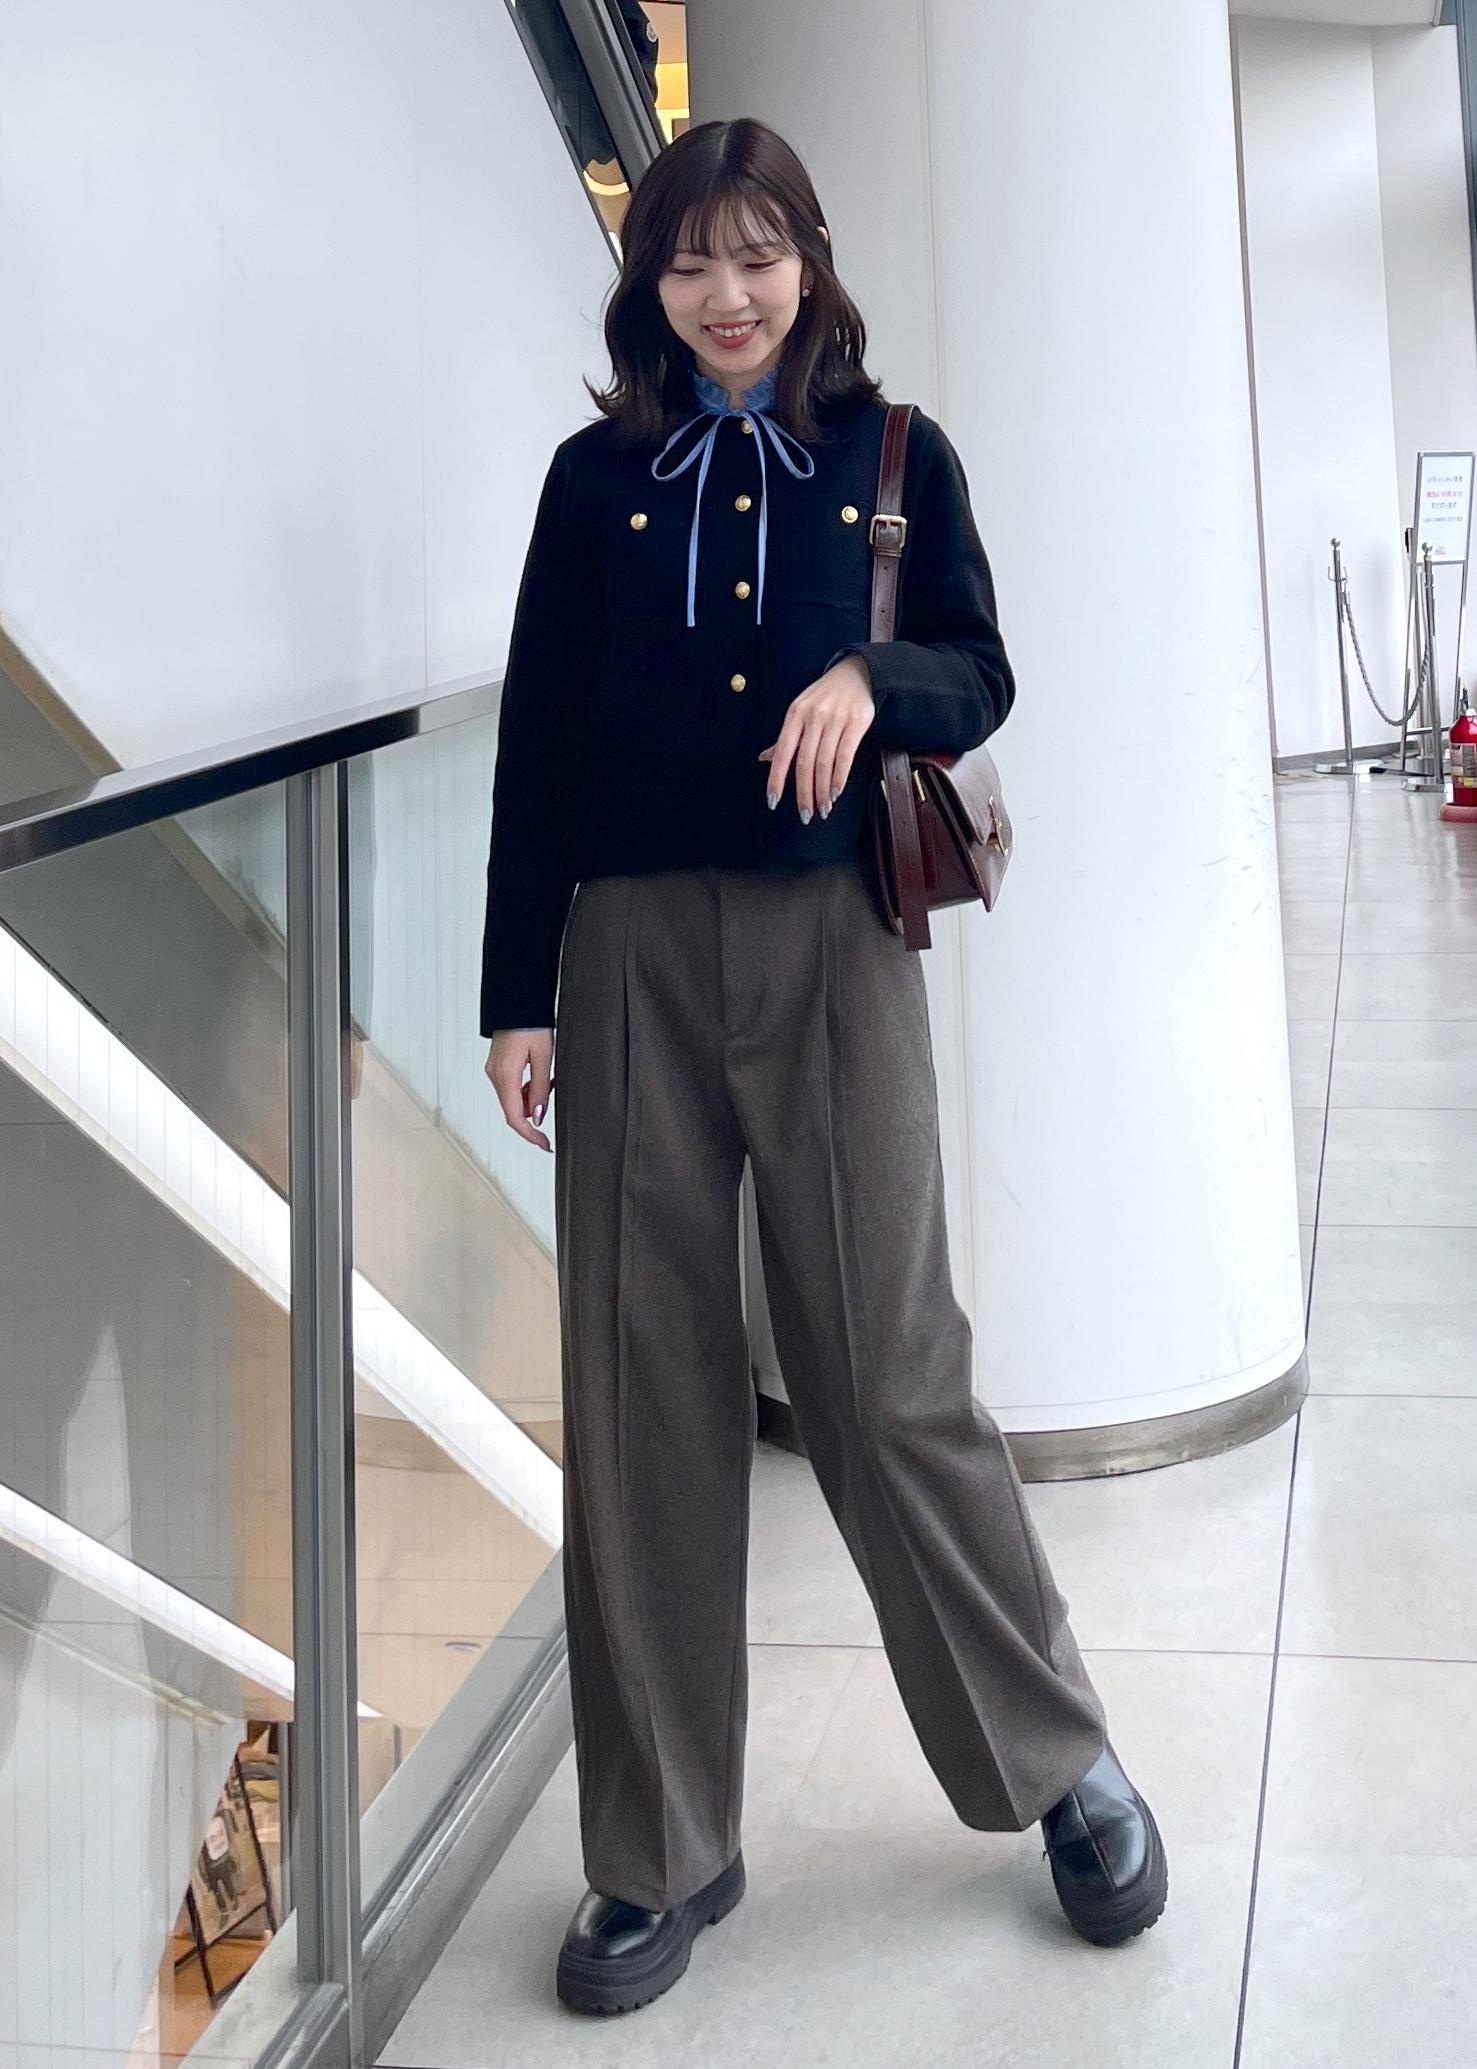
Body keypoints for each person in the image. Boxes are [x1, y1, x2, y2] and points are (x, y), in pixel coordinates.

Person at [480, 116, 1167, 2020]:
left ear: (809, 259)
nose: (728, 292)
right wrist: (517, 992)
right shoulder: (589, 480)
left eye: (758, 252)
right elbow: (538, 737)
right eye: (691, 259)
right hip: (625, 949)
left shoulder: (890, 452)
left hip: (833, 946)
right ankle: (660, 1848)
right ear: (649, 280)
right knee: (641, 1392)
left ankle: (1056, 1758)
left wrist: (873, 682)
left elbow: (979, 662)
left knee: (885, 1370)